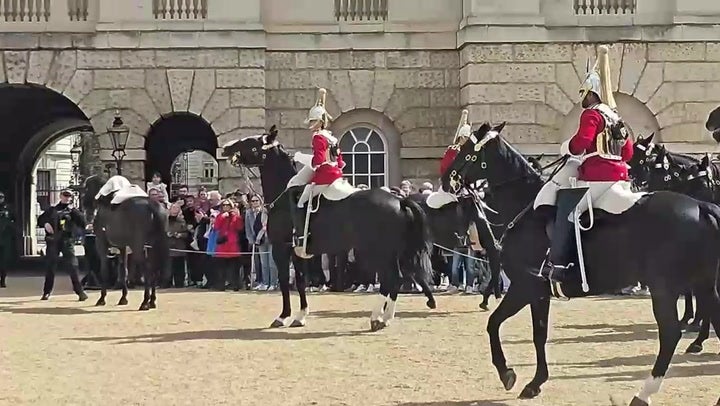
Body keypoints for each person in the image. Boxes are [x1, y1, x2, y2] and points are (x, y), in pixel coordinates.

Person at [536, 45, 634, 283]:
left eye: (585, 93)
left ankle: (558, 265)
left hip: (597, 175)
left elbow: (582, 143)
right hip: (620, 177)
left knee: (566, 210)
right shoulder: (615, 118)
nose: (583, 98)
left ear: (592, 93)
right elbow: (628, 152)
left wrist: (567, 146)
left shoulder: (592, 114)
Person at [289, 88, 348, 258]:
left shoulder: (318, 137)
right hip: (337, 173)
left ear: (321, 121)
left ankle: (302, 236)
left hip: (325, 176)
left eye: (313, 122)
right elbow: (341, 162)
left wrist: (300, 157)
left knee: (302, 201)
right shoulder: (332, 137)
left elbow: (318, 161)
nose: (310, 125)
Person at [37, 189, 88, 301]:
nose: (67, 198)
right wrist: (45, 224)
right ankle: (46, 292)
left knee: (73, 267)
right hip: (53, 241)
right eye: (65, 195)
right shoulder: (52, 210)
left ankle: (80, 292)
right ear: (60, 196)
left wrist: (74, 210)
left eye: (69, 196)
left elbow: (83, 223)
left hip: (67, 241)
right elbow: (40, 219)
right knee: (50, 267)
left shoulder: (72, 211)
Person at [426, 109, 472, 208]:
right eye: (467, 139)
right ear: (462, 138)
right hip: (453, 184)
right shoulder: (453, 150)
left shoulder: (469, 152)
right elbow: (445, 167)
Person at [0, 191, 14, 288]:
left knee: (4, 261)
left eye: (1, 198)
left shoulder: (8, 209)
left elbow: (14, 221)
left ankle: (3, 280)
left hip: (5, 238)